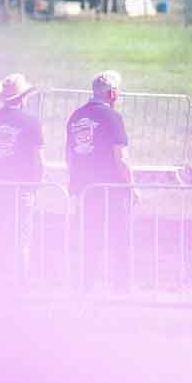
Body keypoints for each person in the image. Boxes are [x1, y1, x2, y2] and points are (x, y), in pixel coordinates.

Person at [66, 71, 133, 289]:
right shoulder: (113, 117)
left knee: (89, 241)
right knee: (120, 240)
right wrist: (132, 186)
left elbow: (69, 156)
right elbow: (121, 158)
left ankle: (86, 287)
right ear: (112, 93)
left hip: (85, 190)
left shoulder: (75, 116)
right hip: (111, 190)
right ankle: (122, 287)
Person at [0, 73, 44, 281]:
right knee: (21, 237)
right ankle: (17, 281)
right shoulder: (31, 122)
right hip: (22, 187)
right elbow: (39, 158)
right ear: (22, 98)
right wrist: (39, 181)